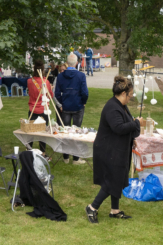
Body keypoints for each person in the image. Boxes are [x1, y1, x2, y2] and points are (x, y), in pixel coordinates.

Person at [85, 76, 145, 223]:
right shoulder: (112, 107)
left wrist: (133, 138)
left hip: (117, 147)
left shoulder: (121, 106)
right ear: (123, 93)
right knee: (112, 180)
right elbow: (118, 128)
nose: (130, 99)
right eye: (130, 96)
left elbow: (126, 125)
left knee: (117, 177)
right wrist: (137, 122)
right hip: (107, 149)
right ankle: (92, 207)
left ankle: (115, 210)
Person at [55, 53, 89, 164]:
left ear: (67, 63)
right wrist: (83, 102)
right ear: (76, 63)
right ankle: (75, 158)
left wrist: (61, 104)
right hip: (78, 106)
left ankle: (66, 157)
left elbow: (57, 93)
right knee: (76, 132)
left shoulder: (60, 76)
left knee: (65, 132)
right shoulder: (81, 76)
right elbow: (85, 92)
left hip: (66, 106)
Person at [27, 60, 53, 159]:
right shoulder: (45, 82)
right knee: (43, 133)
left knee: (30, 131)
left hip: (32, 109)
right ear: (43, 70)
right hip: (43, 110)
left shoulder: (29, 81)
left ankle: (29, 151)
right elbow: (50, 96)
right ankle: (42, 153)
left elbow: (30, 93)